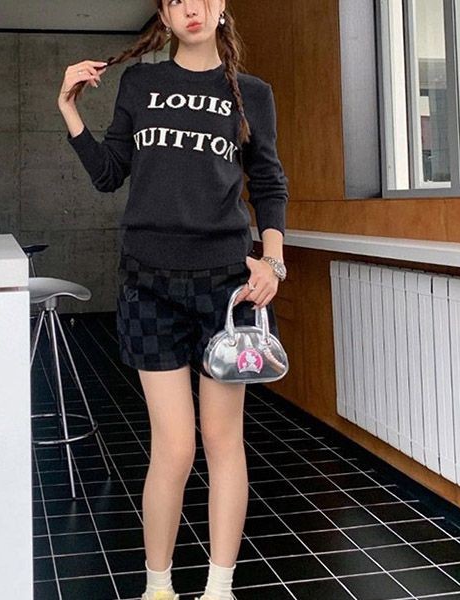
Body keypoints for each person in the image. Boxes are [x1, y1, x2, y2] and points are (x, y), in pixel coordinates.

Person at [57, 1, 288, 599]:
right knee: (174, 447)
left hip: (227, 290)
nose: (192, 8)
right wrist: (70, 112)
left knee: (223, 441)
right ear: (164, 13)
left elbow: (268, 183)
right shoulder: (141, 83)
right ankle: (157, 588)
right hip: (148, 285)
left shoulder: (251, 94)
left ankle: (219, 589)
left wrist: (273, 260)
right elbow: (110, 174)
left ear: (221, 6)